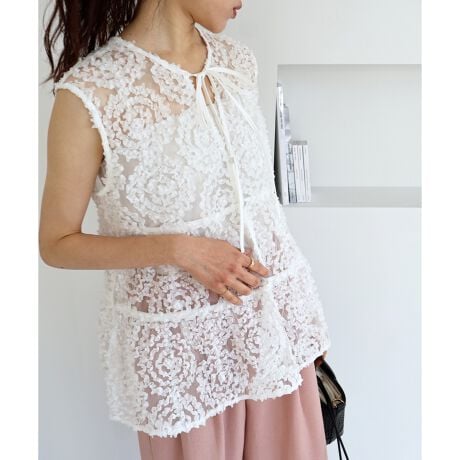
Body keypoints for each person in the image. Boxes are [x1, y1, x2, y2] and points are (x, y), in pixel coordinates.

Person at [40, 1, 331, 459]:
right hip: (184, 362)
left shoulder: (237, 63)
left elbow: (262, 209)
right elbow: (57, 243)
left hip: (275, 338)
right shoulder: (90, 93)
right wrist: (181, 249)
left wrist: (306, 329)